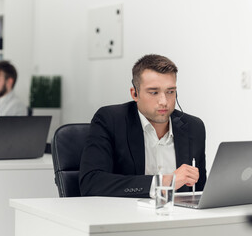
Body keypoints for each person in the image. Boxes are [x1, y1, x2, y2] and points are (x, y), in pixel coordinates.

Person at [79, 54, 207, 198]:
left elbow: (200, 192)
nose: (164, 101)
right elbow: (91, 183)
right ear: (135, 94)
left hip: (178, 217)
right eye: (154, 92)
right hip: (127, 216)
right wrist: (162, 183)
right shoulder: (110, 120)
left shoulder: (193, 127)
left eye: (170, 92)